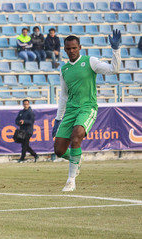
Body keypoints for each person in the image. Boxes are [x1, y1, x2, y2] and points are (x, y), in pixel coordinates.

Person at [52, 30, 121, 192]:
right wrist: (57, 119)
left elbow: (113, 70)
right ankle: (77, 159)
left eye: (74, 48)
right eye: (68, 49)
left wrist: (116, 50)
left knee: (76, 137)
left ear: (80, 47)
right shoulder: (64, 70)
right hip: (70, 111)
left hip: (87, 108)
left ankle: (71, 180)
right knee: (59, 151)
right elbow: (63, 96)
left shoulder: (90, 62)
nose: (71, 51)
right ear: (64, 50)